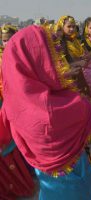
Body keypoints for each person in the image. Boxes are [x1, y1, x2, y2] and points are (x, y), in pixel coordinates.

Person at [0, 24, 91, 199]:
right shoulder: (51, 107)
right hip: (76, 184)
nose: (56, 62)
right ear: (35, 61)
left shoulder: (12, 102)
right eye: (49, 55)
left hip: (49, 187)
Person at [0, 24, 35, 200]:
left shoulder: (22, 58)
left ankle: (30, 169)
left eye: (9, 40)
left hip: (18, 105)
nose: (6, 43)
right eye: (4, 40)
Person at [55, 15, 91, 97]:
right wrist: (77, 63)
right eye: (69, 26)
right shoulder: (59, 43)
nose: (72, 29)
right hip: (68, 77)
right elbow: (60, 66)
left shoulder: (75, 41)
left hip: (78, 75)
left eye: (73, 26)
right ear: (62, 26)